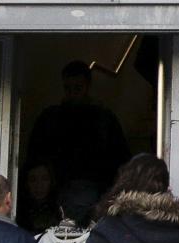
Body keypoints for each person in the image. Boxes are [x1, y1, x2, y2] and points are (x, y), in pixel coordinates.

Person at [27, 61, 132, 191]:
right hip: (68, 187)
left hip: (81, 186)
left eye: (77, 88)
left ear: (87, 87)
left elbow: (120, 157)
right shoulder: (51, 118)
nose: (72, 93)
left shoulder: (102, 118)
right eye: (68, 88)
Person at [16, 161, 61, 235]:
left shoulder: (59, 208)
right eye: (33, 180)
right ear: (26, 183)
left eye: (45, 179)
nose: (39, 185)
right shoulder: (17, 210)